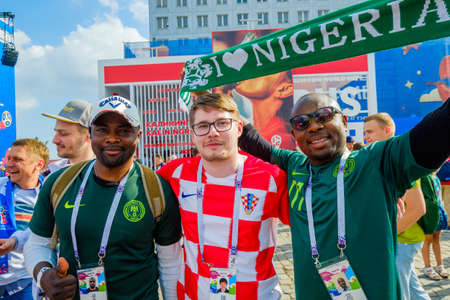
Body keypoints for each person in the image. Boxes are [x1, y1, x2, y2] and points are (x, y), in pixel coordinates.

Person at [237, 92, 450, 299]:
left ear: (344, 121)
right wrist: (207, 92)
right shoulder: (295, 165)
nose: (314, 126)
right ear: (294, 135)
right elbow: (250, 138)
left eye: (324, 115)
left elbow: (435, 133)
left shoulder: (377, 161)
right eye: (302, 123)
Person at [24, 95, 182, 300]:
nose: (112, 138)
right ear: (91, 134)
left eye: (124, 131)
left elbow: (169, 264)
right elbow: (37, 244)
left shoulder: (157, 189)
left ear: (139, 135)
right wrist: (44, 275)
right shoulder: (59, 183)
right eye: (102, 130)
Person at [157, 93, 290, 299]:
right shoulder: (175, 173)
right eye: (203, 126)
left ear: (238, 129)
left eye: (222, 123)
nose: (212, 133)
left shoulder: (271, 178)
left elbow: (312, 224)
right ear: (193, 134)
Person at [364, 113, 430, 300]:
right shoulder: (384, 158)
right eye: (364, 132)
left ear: (387, 131)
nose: (366, 137)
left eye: (370, 132)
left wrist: (387, 235)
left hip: (403, 239)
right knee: (412, 286)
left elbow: (418, 208)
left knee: (399, 290)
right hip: (401, 238)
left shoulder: (397, 162)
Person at [0, 139, 49, 299]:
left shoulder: (50, 195)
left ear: (38, 164)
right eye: (9, 159)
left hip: (25, 280)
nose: (9, 164)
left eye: (18, 159)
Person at [42, 99, 95, 175]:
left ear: (89, 136)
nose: (54, 140)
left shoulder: (105, 174)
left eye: (63, 134)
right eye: (56, 132)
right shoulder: (51, 172)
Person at [421, 172, 449, 280]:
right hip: (429, 213)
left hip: (438, 211)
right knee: (427, 240)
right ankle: (427, 267)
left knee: (437, 239)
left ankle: (439, 265)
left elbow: (439, 197)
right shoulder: (424, 177)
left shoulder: (436, 177)